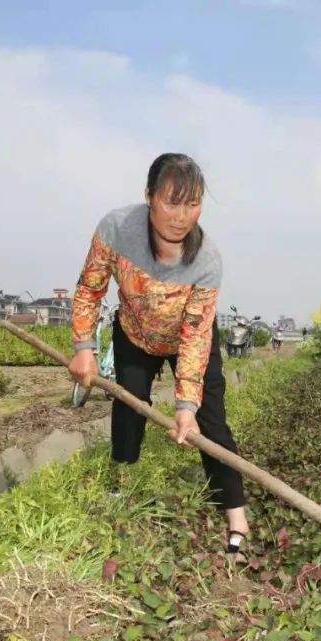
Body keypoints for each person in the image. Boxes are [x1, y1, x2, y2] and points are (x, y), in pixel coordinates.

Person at [69, 153, 249, 555]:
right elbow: (89, 289)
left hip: (186, 336)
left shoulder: (206, 261)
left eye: (192, 203)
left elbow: (196, 336)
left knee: (210, 418)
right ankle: (122, 487)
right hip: (134, 332)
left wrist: (185, 404)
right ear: (149, 196)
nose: (181, 216)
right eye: (171, 201)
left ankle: (235, 514)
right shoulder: (116, 229)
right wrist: (85, 348)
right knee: (129, 403)